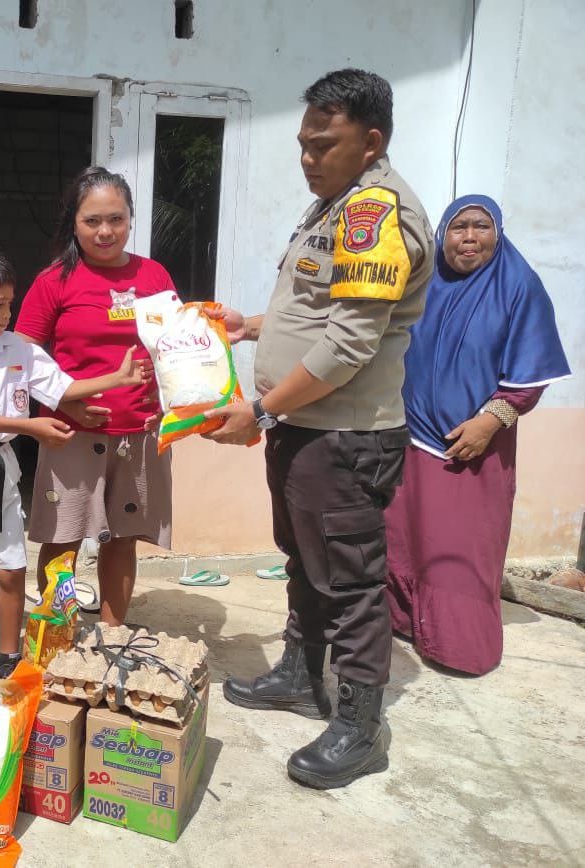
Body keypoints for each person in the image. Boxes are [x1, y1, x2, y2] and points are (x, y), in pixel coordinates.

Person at [204, 69, 434, 789]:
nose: (308, 158)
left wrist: (263, 409)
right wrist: (247, 326)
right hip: (308, 431)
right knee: (305, 560)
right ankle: (302, 677)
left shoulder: (374, 215)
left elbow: (348, 343)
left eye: (323, 145)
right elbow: (315, 311)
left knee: (352, 582)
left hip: (343, 435)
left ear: (371, 142)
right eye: (302, 143)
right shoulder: (332, 207)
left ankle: (360, 726)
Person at [0, 238, 151, 677]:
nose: (7, 313)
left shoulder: (18, 349)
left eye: (10, 303)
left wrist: (117, 377)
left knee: (12, 566)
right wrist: (31, 427)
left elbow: (60, 387)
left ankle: (9, 656)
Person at [385, 195, 571, 675]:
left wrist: (490, 422)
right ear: (441, 234)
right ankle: (405, 621)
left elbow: (530, 375)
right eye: (458, 227)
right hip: (406, 437)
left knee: (458, 547)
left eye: (481, 227)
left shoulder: (518, 286)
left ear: (498, 232)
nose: (469, 238)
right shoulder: (422, 282)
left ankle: (460, 647)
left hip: (471, 447)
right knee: (403, 538)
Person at [14, 167, 174, 627]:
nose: (106, 231)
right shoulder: (54, 281)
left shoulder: (154, 274)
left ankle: (112, 632)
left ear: (129, 220)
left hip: (140, 431)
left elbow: (175, 346)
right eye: (92, 221)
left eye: (116, 219)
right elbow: (22, 355)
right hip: (73, 433)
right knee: (63, 537)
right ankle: (56, 631)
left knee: (123, 537)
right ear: (74, 224)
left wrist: (171, 409)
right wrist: (64, 402)